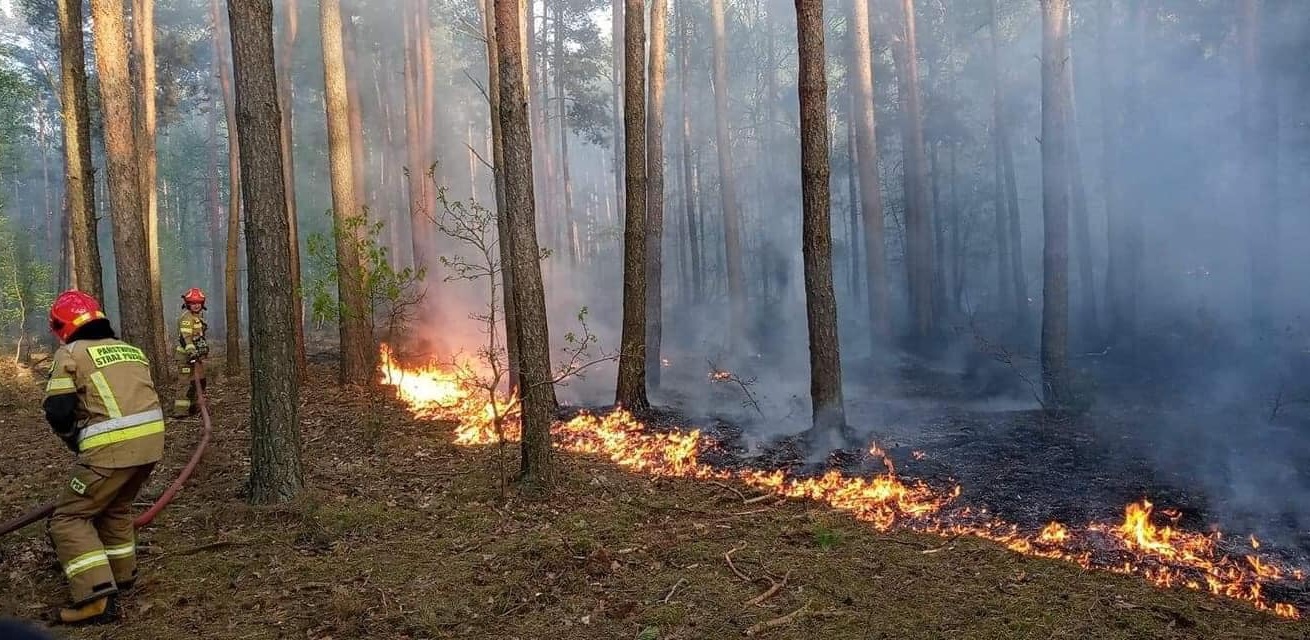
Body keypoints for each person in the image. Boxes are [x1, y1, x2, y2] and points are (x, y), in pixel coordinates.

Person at [43, 290, 165, 624]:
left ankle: (95, 597)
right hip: (151, 445)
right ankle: (121, 576)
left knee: (69, 518)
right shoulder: (130, 350)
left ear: (61, 326)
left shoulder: (70, 353)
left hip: (110, 452)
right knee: (115, 508)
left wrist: (72, 438)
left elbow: (58, 409)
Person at [172, 287, 209, 417]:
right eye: (193, 303)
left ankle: (193, 406)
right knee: (185, 382)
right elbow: (186, 338)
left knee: (199, 381)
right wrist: (192, 352)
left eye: (198, 303)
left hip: (195, 357)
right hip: (185, 357)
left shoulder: (198, 317)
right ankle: (180, 411)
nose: (196, 305)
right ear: (188, 304)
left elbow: (198, 336)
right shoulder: (187, 318)